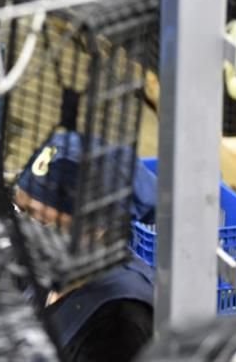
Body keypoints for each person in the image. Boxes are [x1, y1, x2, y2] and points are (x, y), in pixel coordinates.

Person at [14, 130, 156, 362]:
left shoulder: (119, 322)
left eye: (42, 221)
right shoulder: (43, 266)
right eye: (22, 210)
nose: (27, 230)